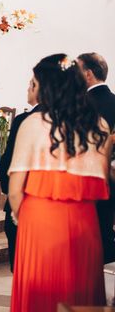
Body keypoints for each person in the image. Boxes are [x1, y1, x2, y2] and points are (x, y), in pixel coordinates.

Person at [9, 54, 112, 311]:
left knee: (40, 291)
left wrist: (23, 217)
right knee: (80, 290)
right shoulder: (98, 125)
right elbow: (102, 177)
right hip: (84, 221)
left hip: (39, 220)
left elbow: (15, 190)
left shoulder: (33, 124)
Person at [0, 76, 40, 272]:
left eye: (30, 84)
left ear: (38, 89)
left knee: (23, 267)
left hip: (26, 200)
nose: (27, 88)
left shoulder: (25, 120)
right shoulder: (70, 120)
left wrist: (8, 189)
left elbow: (8, 161)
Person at [77, 52, 115, 263]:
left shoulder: (78, 105)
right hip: (111, 180)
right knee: (106, 232)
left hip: (84, 182)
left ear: (88, 74)